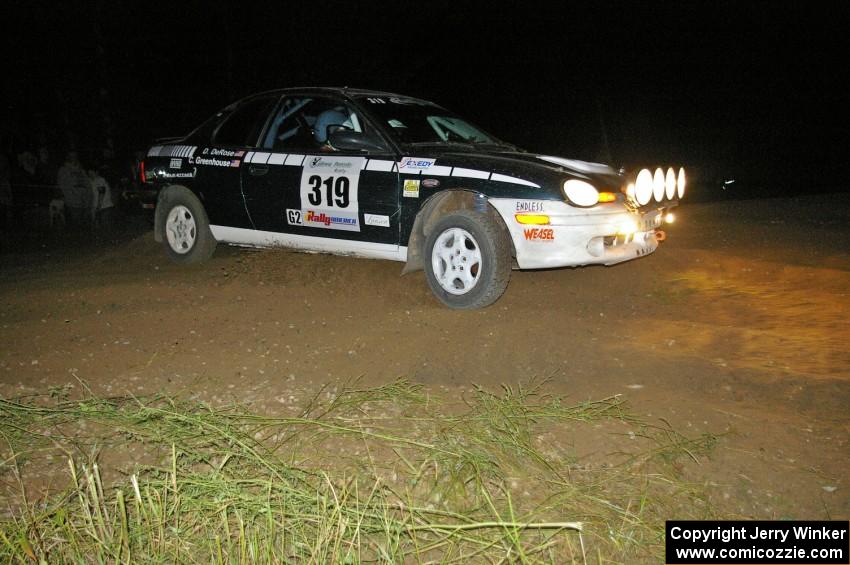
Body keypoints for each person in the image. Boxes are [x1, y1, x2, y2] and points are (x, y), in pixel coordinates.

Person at [56, 151, 92, 230]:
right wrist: (69, 198)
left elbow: (88, 185)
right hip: (72, 204)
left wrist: (88, 200)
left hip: (85, 203)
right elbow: (61, 186)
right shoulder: (63, 170)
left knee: (85, 229)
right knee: (75, 229)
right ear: (67, 157)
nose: (73, 158)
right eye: (71, 156)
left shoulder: (82, 170)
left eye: (75, 156)